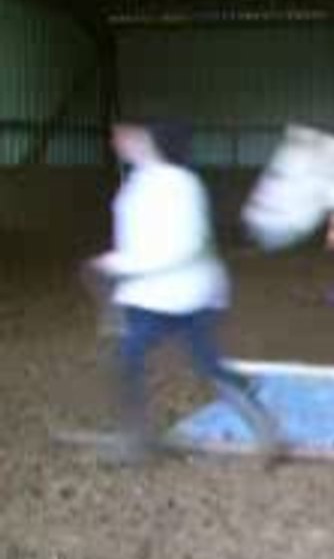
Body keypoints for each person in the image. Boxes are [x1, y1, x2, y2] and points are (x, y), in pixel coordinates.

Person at [86, 120, 284, 465]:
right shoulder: (140, 182)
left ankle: (262, 426)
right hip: (154, 295)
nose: (125, 141)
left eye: (138, 137)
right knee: (128, 359)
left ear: (156, 144)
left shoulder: (179, 186)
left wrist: (118, 264)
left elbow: (180, 246)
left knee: (204, 364)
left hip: (187, 295)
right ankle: (136, 441)